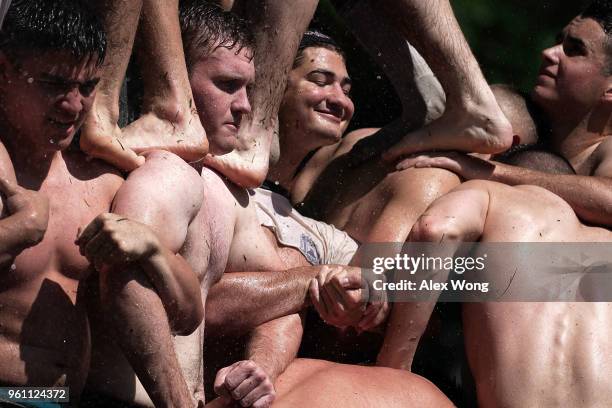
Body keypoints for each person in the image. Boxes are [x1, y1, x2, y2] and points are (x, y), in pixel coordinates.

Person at [0, 2, 209, 406]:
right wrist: (19, 229)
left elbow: (187, 317)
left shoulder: (103, 184)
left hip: (58, 399)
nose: (73, 106)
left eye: (87, 87)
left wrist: (152, 248)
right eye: (53, 83)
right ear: (5, 70)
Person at [393, 0, 612, 228]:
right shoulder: (516, 117)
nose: (548, 53)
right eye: (558, 41)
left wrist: (488, 171)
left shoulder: (607, 148)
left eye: (575, 50)